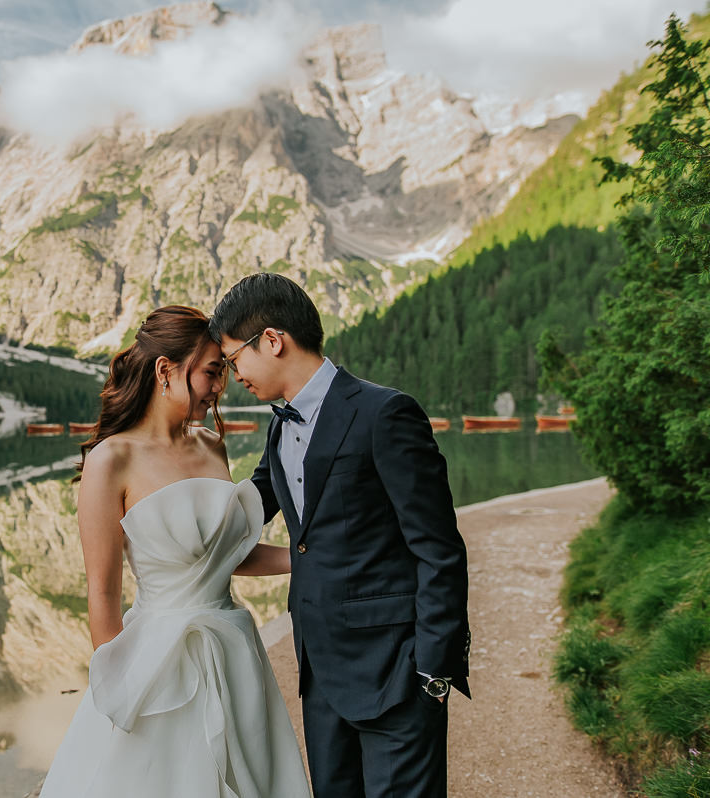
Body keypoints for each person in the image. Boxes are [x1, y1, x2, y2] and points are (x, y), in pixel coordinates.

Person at [209, 273, 470, 798]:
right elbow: (248, 510)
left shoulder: (385, 413)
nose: (234, 376)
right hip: (321, 676)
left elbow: (439, 549)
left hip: (396, 673)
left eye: (235, 359)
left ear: (273, 340)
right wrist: (164, 477)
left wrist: (432, 674)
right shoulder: (280, 425)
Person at [38, 305, 311, 798]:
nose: (218, 387)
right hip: (156, 661)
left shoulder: (211, 447)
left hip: (233, 648)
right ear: (166, 370)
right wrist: (120, 686)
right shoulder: (110, 460)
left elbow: (224, 555)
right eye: (210, 372)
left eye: (223, 373)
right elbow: (102, 592)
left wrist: (309, 558)